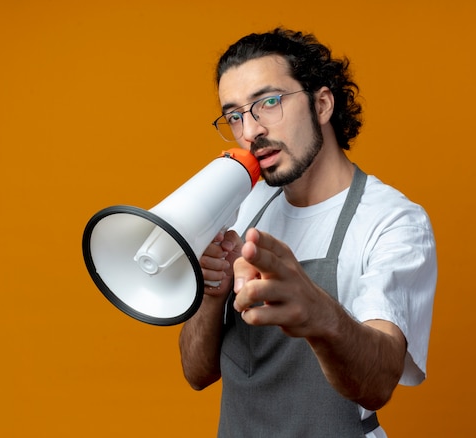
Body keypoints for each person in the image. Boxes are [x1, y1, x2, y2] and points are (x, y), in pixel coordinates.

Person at [178, 28, 437, 438]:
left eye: (268, 102)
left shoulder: (392, 221)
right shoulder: (242, 205)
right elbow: (197, 373)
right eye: (234, 115)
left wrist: (317, 312)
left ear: (321, 103)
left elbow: (379, 382)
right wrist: (212, 292)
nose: (249, 132)